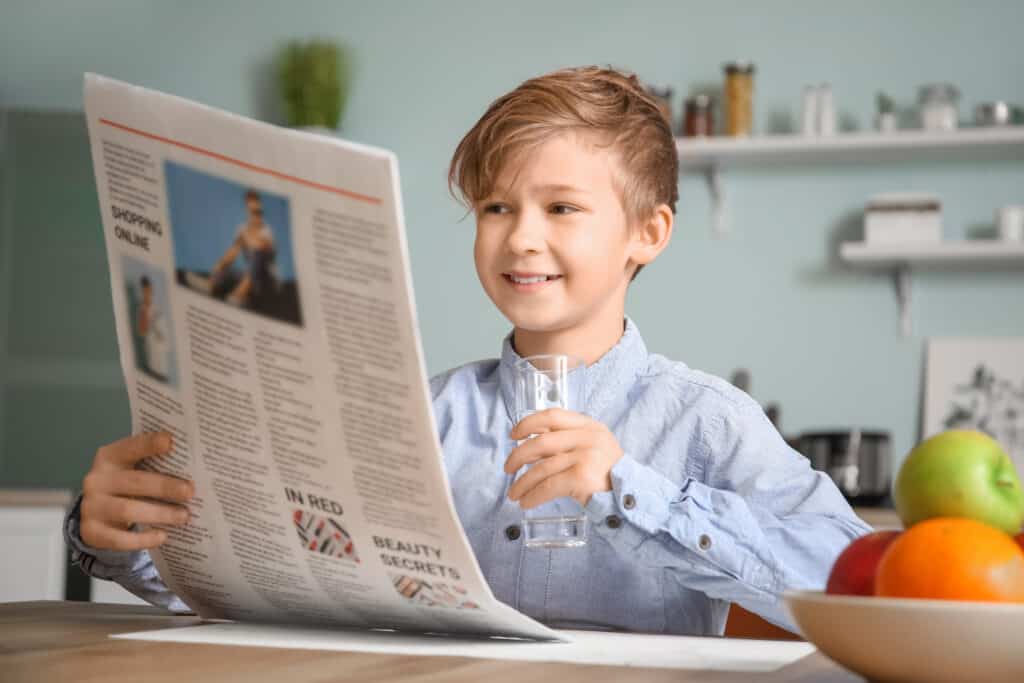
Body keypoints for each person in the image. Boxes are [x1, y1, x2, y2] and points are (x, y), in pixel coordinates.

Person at [65, 66, 871, 634]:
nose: (521, 237)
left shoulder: (707, 421)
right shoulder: (421, 417)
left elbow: (849, 578)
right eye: (494, 205)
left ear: (647, 233)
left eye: (561, 207)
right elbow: (282, 596)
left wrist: (631, 488)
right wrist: (122, 536)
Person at [185, 189, 277, 307]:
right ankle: (209, 284)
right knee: (228, 269)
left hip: (265, 283)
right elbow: (233, 252)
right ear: (247, 210)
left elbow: (260, 247)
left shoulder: (267, 231)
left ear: (261, 210)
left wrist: (246, 236)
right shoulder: (242, 228)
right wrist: (220, 264)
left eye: (257, 211)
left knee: (258, 255)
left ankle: (238, 295)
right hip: (248, 278)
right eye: (251, 211)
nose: (254, 215)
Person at [136, 275, 169, 382]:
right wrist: (147, 318)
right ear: (142, 291)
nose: (148, 293)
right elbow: (142, 332)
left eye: (149, 290)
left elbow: (163, 331)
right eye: (145, 291)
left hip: (160, 347)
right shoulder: (142, 310)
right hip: (151, 350)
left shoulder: (157, 307)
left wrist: (160, 331)